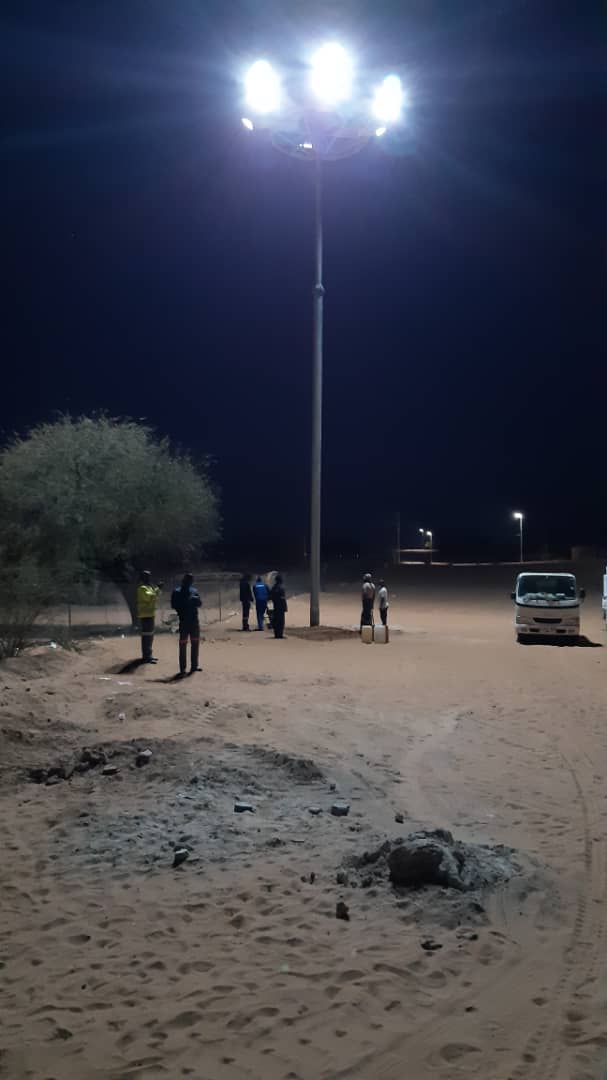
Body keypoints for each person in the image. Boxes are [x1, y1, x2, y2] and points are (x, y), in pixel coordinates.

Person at [171, 573, 202, 676]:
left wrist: (196, 601)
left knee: (195, 643)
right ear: (183, 580)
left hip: (194, 621)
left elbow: (200, 604)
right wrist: (186, 603)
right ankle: (182, 668)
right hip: (184, 621)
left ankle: (194, 666)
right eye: (188, 580)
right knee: (183, 644)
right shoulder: (177, 591)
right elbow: (174, 605)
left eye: (191, 580)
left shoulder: (194, 591)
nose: (189, 582)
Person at [137, 570, 162, 663]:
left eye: (149, 576)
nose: (149, 578)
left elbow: (154, 595)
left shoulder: (149, 587)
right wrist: (157, 589)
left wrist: (158, 589)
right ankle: (146, 656)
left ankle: (149, 655)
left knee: (150, 636)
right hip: (145, 615)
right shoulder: (142, 588)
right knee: (147, 636)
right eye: (147, 577)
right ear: (143, 578)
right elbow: (149, 597)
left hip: (150, 614)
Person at [269, 573, 288, 639]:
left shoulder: (273, 588)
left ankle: (276, 634)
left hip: (276, 607)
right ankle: (280, 635)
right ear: (280, 580)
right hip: (281, 608)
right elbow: (283, 599)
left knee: (276, 620)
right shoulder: (281, 588)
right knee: (281, 622)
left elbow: (270, 597)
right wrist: (285, 608)